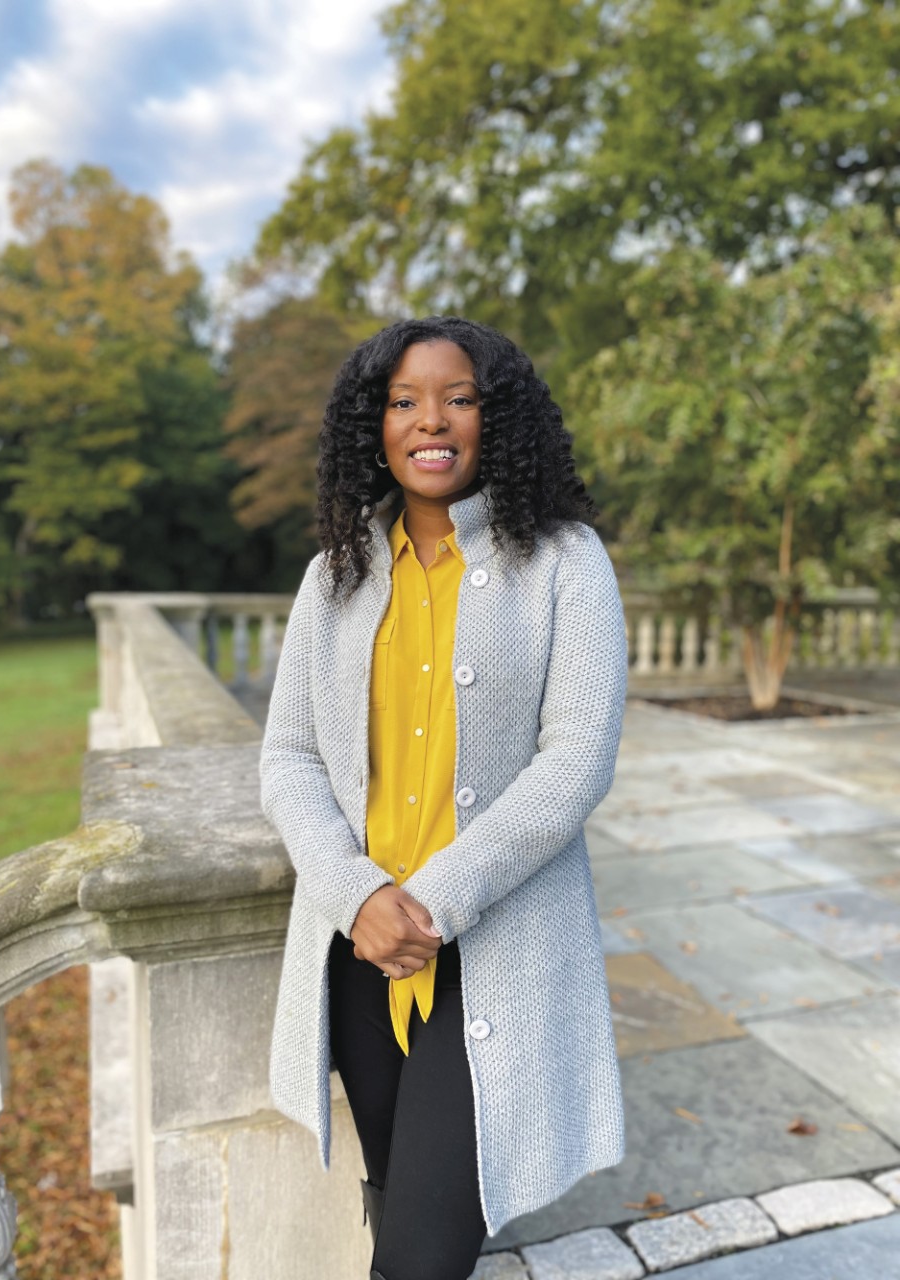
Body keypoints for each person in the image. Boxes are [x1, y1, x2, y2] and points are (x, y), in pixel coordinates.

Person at [259, 315, 628, 1280]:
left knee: (421, 1257)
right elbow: (288, 758)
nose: (433, 420)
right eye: (403, 401)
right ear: (372, 427)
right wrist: (358, 897)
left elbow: (578, 759)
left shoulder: (565, 564)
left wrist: (431, 902)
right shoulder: (330, 579)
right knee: (398, 1200)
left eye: (459, 398)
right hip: (360, 954)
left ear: (495, 418)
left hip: (484, 953)